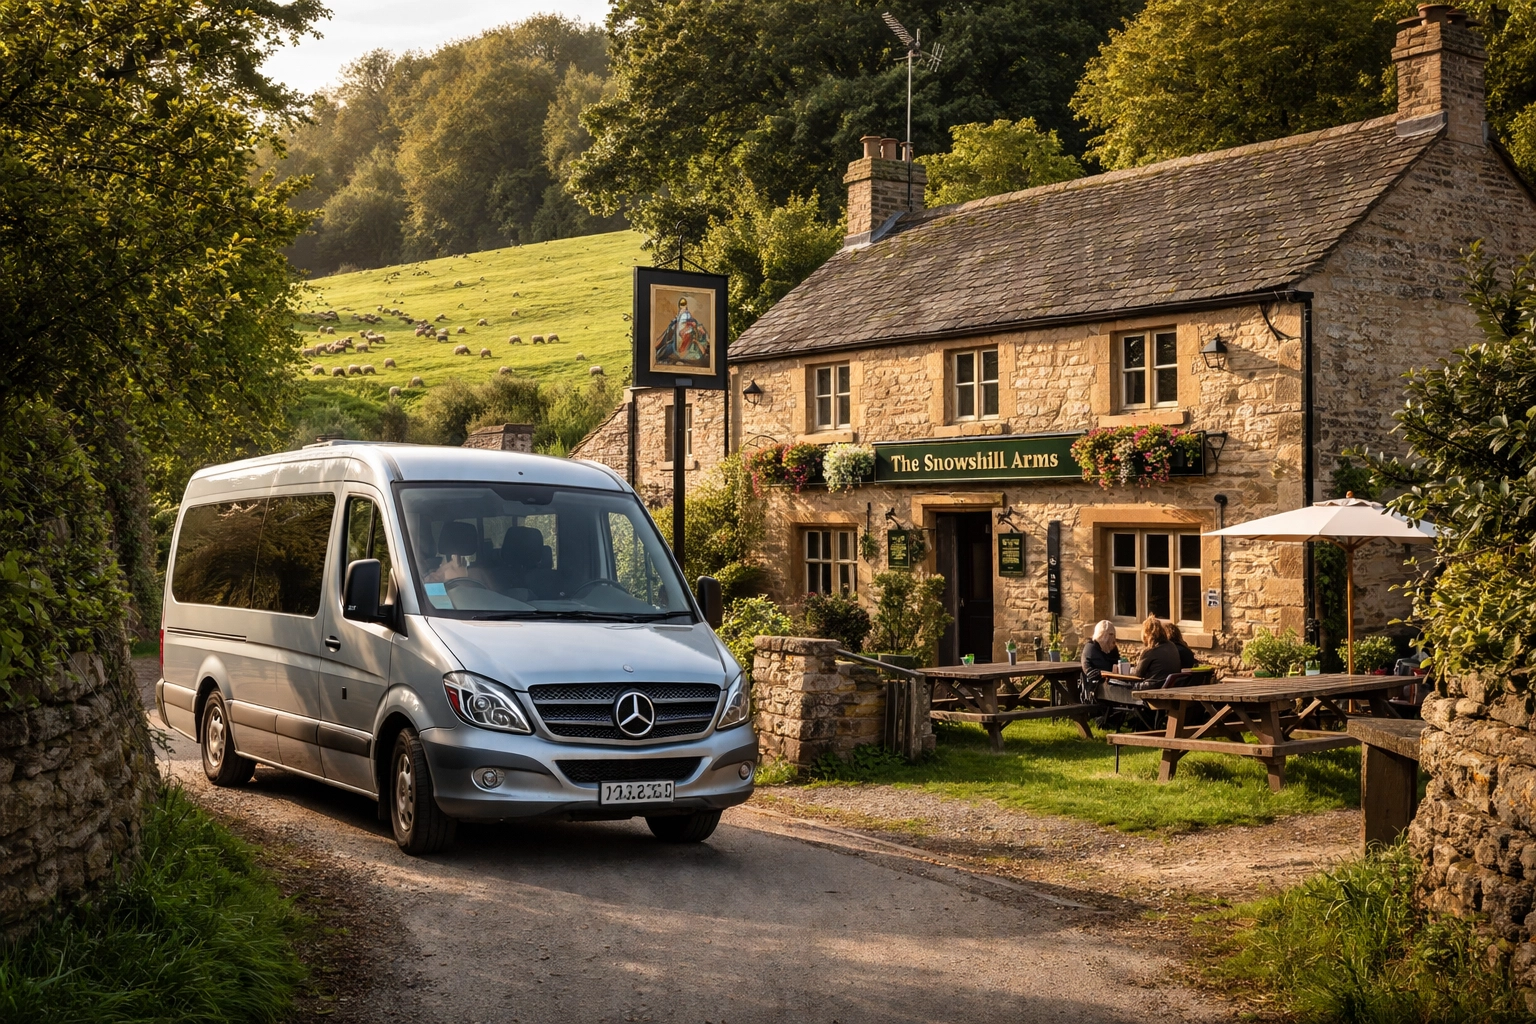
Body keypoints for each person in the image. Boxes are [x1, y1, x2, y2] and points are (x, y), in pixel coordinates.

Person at [1133, 616, 1183, 690]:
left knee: (1118, 684)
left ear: (1146, 634)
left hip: (1153, 686)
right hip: (1171, 684)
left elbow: (1138, 674)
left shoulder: (1150, 650)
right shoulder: (1172, 646)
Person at [1080, 619, 1119, 701]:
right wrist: (1106, 674)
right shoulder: (1090, 648)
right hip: (1096, 688)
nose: (1114, 639)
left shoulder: (1113, 649)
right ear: (1103, 635)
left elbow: (1117, 663)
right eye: (1111, 635)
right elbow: (1090, 672)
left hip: (1114, 683)